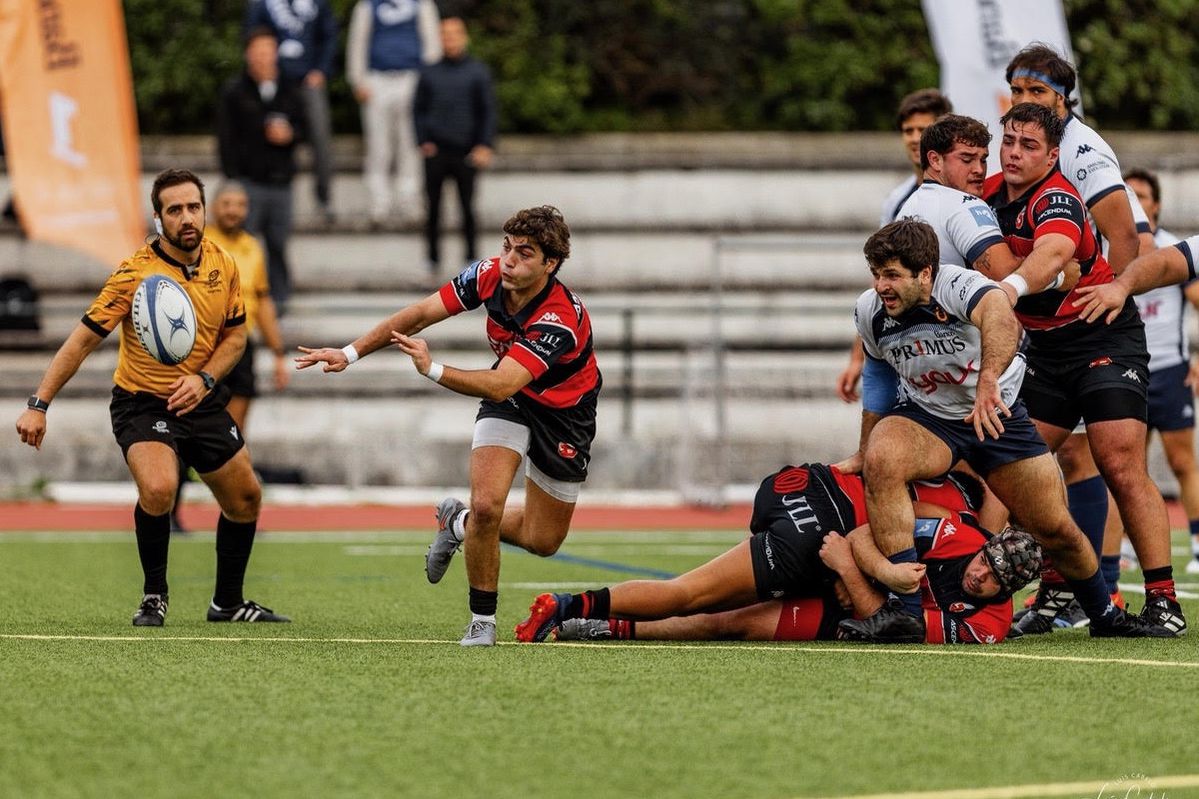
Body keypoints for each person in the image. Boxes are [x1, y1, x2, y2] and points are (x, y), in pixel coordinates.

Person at [845, 218, 1168, 641]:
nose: (881, 285)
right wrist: (865, 444)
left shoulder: (957, 285)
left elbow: (999, 313)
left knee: (1054, 527)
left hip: (996, 416)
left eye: (891, 275)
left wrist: (987, 383)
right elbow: (878, 375)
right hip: (929, 420)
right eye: (876, 274)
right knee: (882, 457)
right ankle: (904, 611)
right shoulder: (870, 310)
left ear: (925, 274)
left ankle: (1104, 614)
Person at [294, 206, 598, 647]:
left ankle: (457, 523)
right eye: (506, 247)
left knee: (543, 539)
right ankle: (482, 621)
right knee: (489, 506)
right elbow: (420, 314)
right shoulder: (488, 275)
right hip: (513, 401)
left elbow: (498, 383)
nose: (509, 260)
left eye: (525, 254)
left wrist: (431, 368)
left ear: (550, 264)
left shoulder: (558, 319)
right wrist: (350, 353)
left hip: (563, 413)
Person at [14, 169, 289, 626]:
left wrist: (203, 380)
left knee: (245, 497)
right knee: (159, 488)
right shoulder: (133, 273)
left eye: (193, 207)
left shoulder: (224, 264)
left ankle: (227, 603)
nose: (187, 218)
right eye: (175, 210)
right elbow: (81, 341)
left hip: (199, 398)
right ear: (159, 217)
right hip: (142, 402)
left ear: (204, 211)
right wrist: (38, 404)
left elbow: (237, 337)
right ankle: (154, 595)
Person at [980, 103, 1184, 637]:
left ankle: (1163, 601)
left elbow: (1052, 254)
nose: (1015, 152)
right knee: (1012, 468)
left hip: (1103, 339)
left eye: (1029, 146)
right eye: (1009, 142)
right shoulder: (985, 196)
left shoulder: (1058, 197)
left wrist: (1014, 287)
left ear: (1053, 156)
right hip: (1045, 352)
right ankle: (1051, 590)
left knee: (1117, 459)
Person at [516, 462, 1042, 646]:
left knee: (731, 623)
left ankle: (598, 625)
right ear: (989, 546)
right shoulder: (959, 533)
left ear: (1010, 592)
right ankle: (568, 606)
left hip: (846, 608)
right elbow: (864, 534)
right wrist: (874, 568)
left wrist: (851, 575)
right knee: (692, 593)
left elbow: (891, 628)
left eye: (993, 578)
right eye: (985, 562)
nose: (979, 575)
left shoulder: (987, 625)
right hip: (823, 543)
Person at [1004, 44, 1155, 626]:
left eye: (1036, 92)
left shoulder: (1083, 149)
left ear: (1064, 100)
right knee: (1038, 458)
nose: (1024, 102)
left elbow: (1125, 236)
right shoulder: (1022, 149)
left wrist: (1105, 296)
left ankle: (1104, 587)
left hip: (1092, 331)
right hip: (1046, 329)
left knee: (1102, 458)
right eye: (1017, 92)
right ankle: (1068, 591)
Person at [837, 88, 952, 405]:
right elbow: (883, 278)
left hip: (956, 340)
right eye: (908, 131)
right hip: (909, 342)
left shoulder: (966, 194)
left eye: (923, 129)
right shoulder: (897, 200)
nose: (915, 139)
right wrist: (858, 356)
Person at [1120, 168, 1199, 577]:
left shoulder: (1172, 248)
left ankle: (1198, 542)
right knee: (1126, 462)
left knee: (1183, 462)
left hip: (1169, 367)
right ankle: (1126, 545)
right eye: (1127, 193)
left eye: (1142, 195)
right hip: (1127, 368)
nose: (1135, 200)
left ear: (1157, 204)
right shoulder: (1113, 245)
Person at [218, 27, 307, 313]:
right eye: (258, 52)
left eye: (268, 52)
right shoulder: (234, 91)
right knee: (244, 243)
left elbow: (305, 128)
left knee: (279, 244)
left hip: (281, 181)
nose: (263, 58)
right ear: (248, 55)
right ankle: (241, 298)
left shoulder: (291, 88)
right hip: (249, 180)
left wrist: (290, 135)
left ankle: (279, 300)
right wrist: (232, 176)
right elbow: (225, 136)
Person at [347, 0, 442, 227]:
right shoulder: (368, 5)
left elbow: (432, 42)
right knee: (378, 145)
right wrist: (358, 79)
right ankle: (379, 202)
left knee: (411, 144)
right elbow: (357, 43)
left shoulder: (422, 4)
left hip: (412, 78)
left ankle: (409, 201)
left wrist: (430, 80)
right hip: (377, 79)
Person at [415, 16, 497, 280]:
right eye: (445, 34)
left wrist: (484, 145)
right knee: (433, 208)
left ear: (464, 37)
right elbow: (418, 110)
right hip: (436, 151)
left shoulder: (477, 72)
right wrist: (423, 140)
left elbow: (487, 111)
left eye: (454, 33)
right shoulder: (429, 72)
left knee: (467, 207)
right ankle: (432, 258)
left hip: (466, 152)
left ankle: (472, 259)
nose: (450, 38)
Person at [245, 0, 339, 225]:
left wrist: (321, 70)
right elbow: (252, 36)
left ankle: (324, 199)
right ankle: (256, 197)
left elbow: (329, 36)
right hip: (273, 81)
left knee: (321, 138)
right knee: (262, 133)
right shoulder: (261, 4)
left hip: (308, 81)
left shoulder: (318, 4)